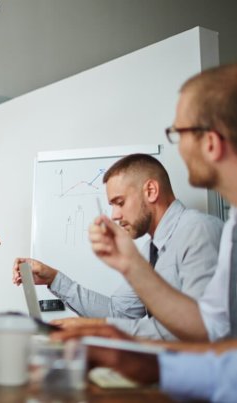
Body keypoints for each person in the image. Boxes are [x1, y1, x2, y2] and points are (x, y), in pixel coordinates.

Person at [54, 63, 237, 402]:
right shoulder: (227, 229)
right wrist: (129, 268)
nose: (178, 146)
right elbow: (211, 328)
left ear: (210, 142)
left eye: (178, 132)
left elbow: (210, 338)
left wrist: (115, 340)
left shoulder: (202, 231)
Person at [12, 153, 222, 340]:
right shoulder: (151, 249)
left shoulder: (199, 231)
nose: (115, 216)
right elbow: (120, 312)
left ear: (150, 190)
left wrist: (95, 328)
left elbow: (200, 331)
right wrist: (54, 278)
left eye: (119, 203)